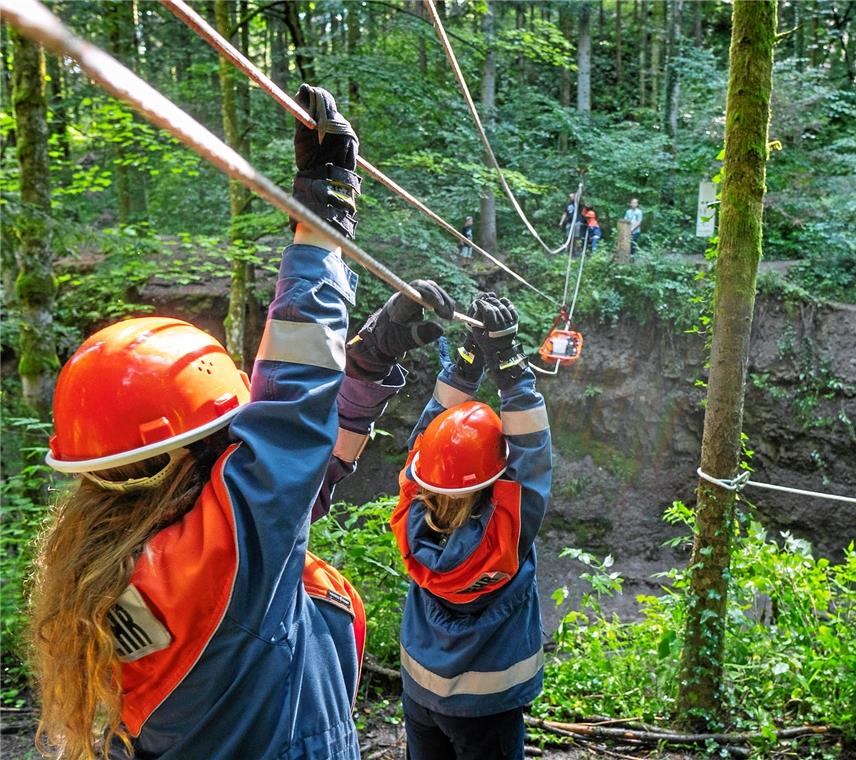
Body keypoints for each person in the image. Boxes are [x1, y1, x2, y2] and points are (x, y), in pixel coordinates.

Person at [28, 85, 455, 760]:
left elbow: (299, 483)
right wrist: (323, 220)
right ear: (198, 448)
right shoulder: (213, 562)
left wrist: (364, 371)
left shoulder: (123, 566)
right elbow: (288, 418)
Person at [390, 293, 552, 760]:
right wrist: (509, 365)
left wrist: (466, 363)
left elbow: (431, 440)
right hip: (487, 708)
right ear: (494, 482)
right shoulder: (502, 541)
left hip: (420, 690)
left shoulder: (407, 516)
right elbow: (532, 458)